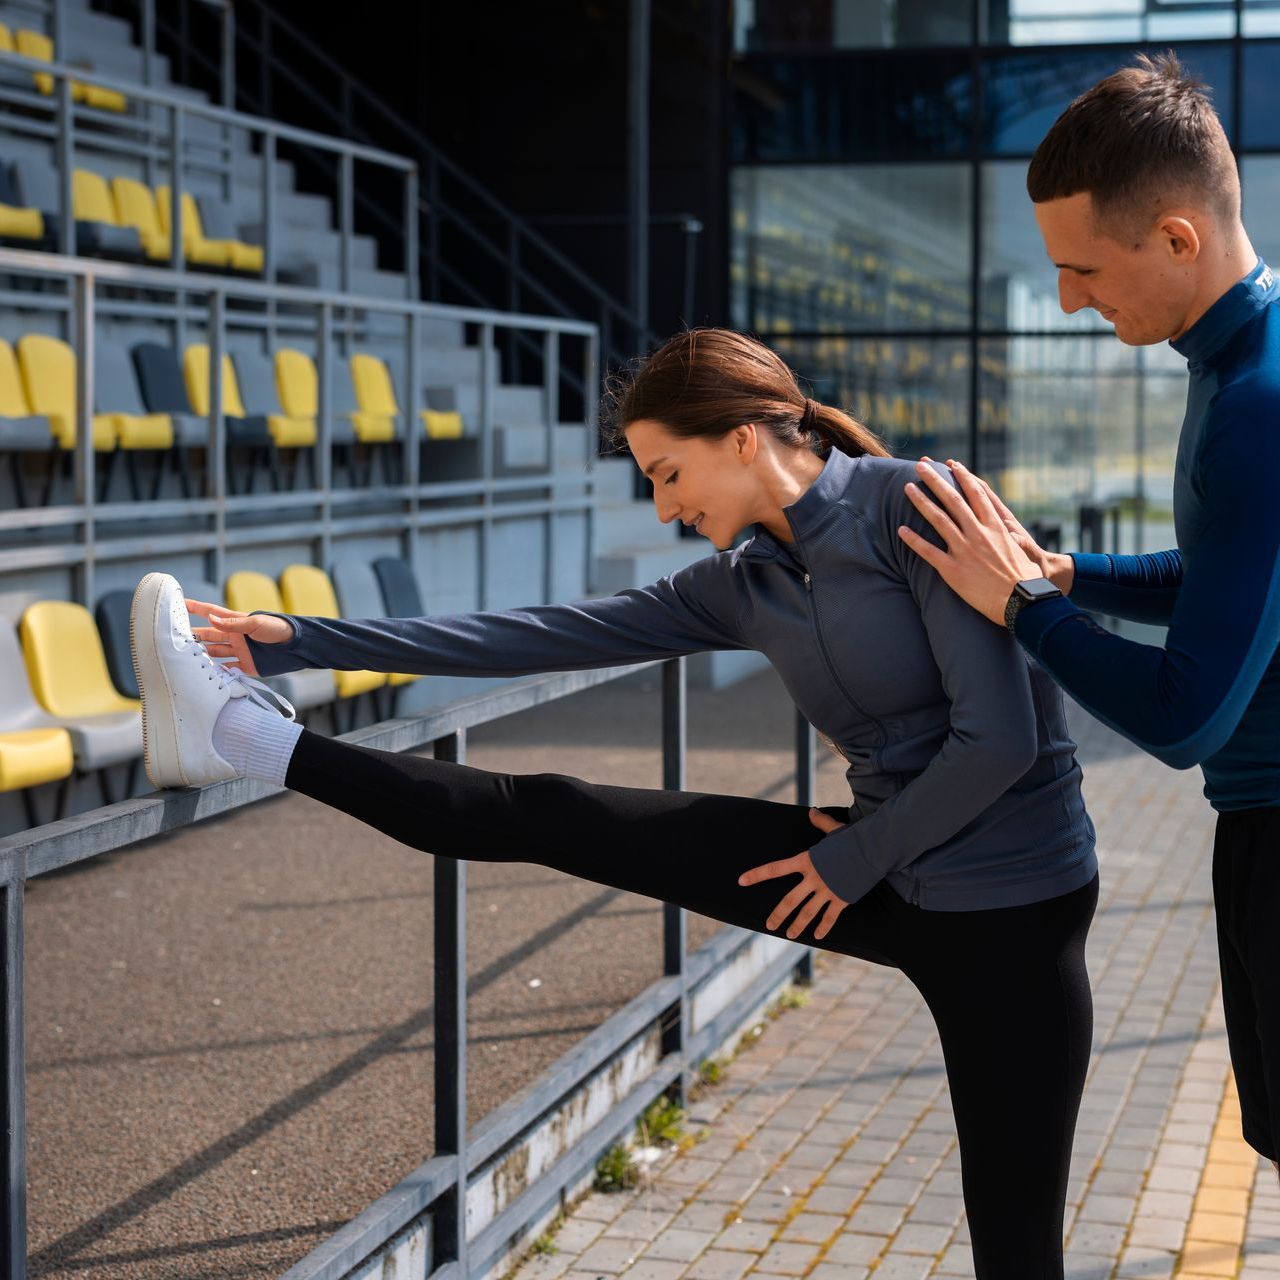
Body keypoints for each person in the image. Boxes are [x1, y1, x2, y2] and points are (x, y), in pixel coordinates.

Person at [132, 328, 1098, 1278]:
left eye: (667, 473)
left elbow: (1004, 740)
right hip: (875, 868)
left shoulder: (921, 509)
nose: (663, 506)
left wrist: (854, 857)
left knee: (1014, 1249)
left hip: (1005, 910)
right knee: (552, 811)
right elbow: (538, 634)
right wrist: (299, 639)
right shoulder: (743, 581)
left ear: (741, 436)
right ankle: (245, 740)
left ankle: (238, 737)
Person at [895, 53, 1280, 1178]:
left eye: (1080, 268)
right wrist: (1065, 577)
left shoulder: (1254, 406)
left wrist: (1017, 609)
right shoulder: (1239, 368)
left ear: (1174, 237)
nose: (1064, 296)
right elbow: (1226, 581)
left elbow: (1182, 715)